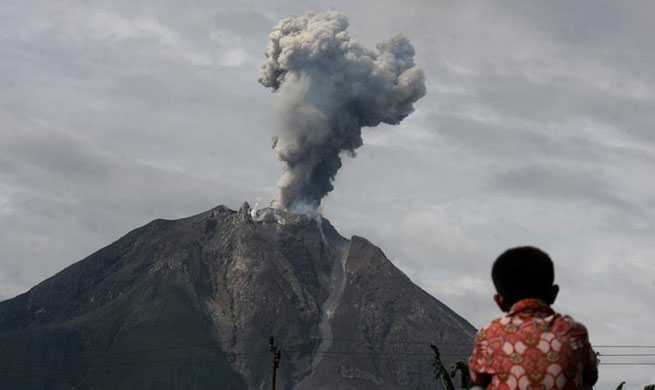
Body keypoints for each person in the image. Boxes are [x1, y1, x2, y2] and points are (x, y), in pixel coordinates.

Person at [468, 246, 598, 390]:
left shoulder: (489, 334)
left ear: (500, 301)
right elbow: (591, 375)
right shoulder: (574, 332)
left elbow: (476, 378)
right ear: (553, 293)